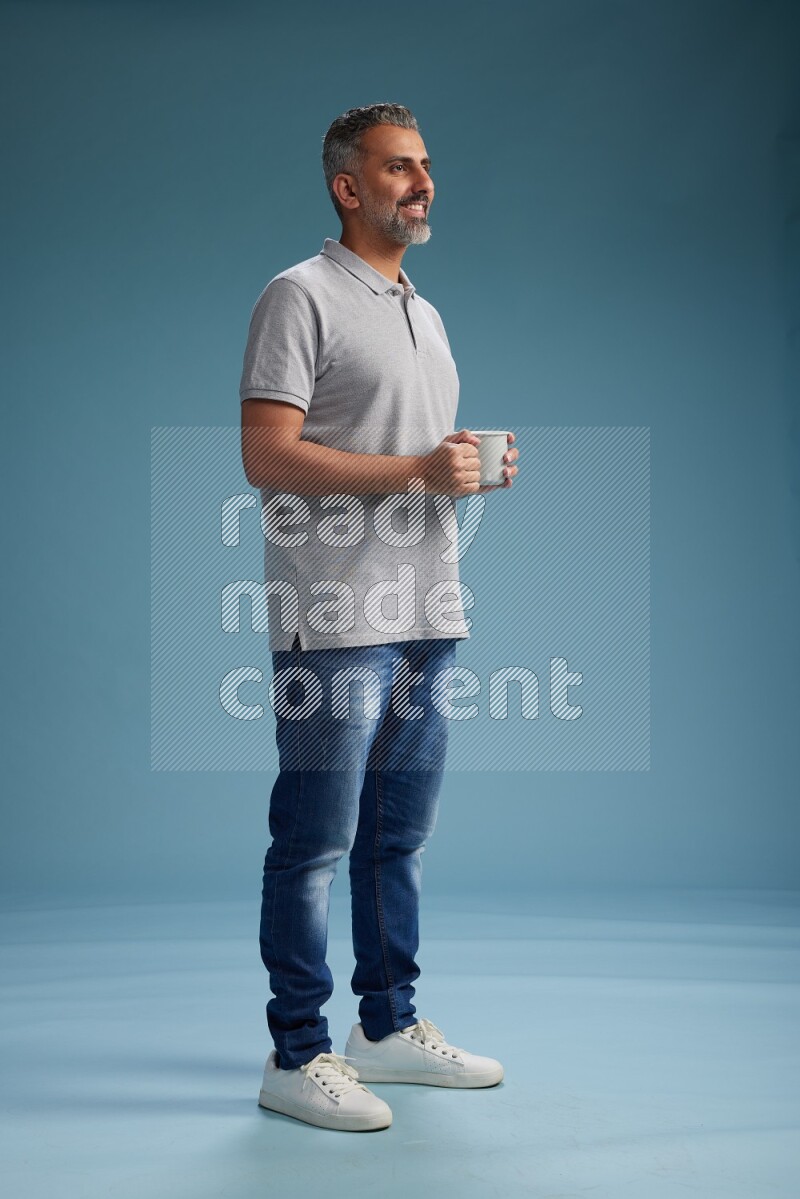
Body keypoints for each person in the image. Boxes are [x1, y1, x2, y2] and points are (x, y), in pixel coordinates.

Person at [239, 103, 520, 1132]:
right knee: (315, 840)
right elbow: (266, 455)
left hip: (426, 604)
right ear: (345, 187)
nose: (421, 181)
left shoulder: (422, 309)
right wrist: (413, 466)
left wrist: (460, 467)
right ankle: (296, 1049)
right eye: (398, 167)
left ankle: (385, 1027)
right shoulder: (297, 296)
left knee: (395, 837)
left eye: (426, 165)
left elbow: (409, 452)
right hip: (336, 612)